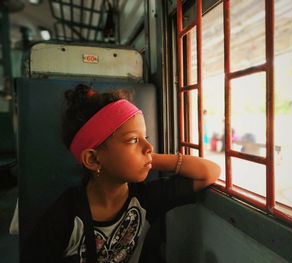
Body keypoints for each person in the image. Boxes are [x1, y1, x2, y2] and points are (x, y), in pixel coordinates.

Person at [22, 84, 220, 263]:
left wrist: (150, 158)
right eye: (133, 140)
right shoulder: (65, 215)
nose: (148, 146)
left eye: (146, 138)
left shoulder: (144, 200)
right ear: (93, 159)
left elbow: (209, 172)